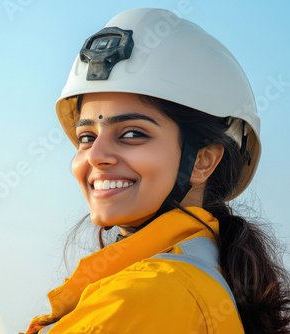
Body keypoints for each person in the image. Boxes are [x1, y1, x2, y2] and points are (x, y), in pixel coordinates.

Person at [20, 8, 290, 334]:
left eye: (132, 134)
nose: (96, 156)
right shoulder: (201, 276)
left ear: (204, 160)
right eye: (86, 137)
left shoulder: (146, 297)